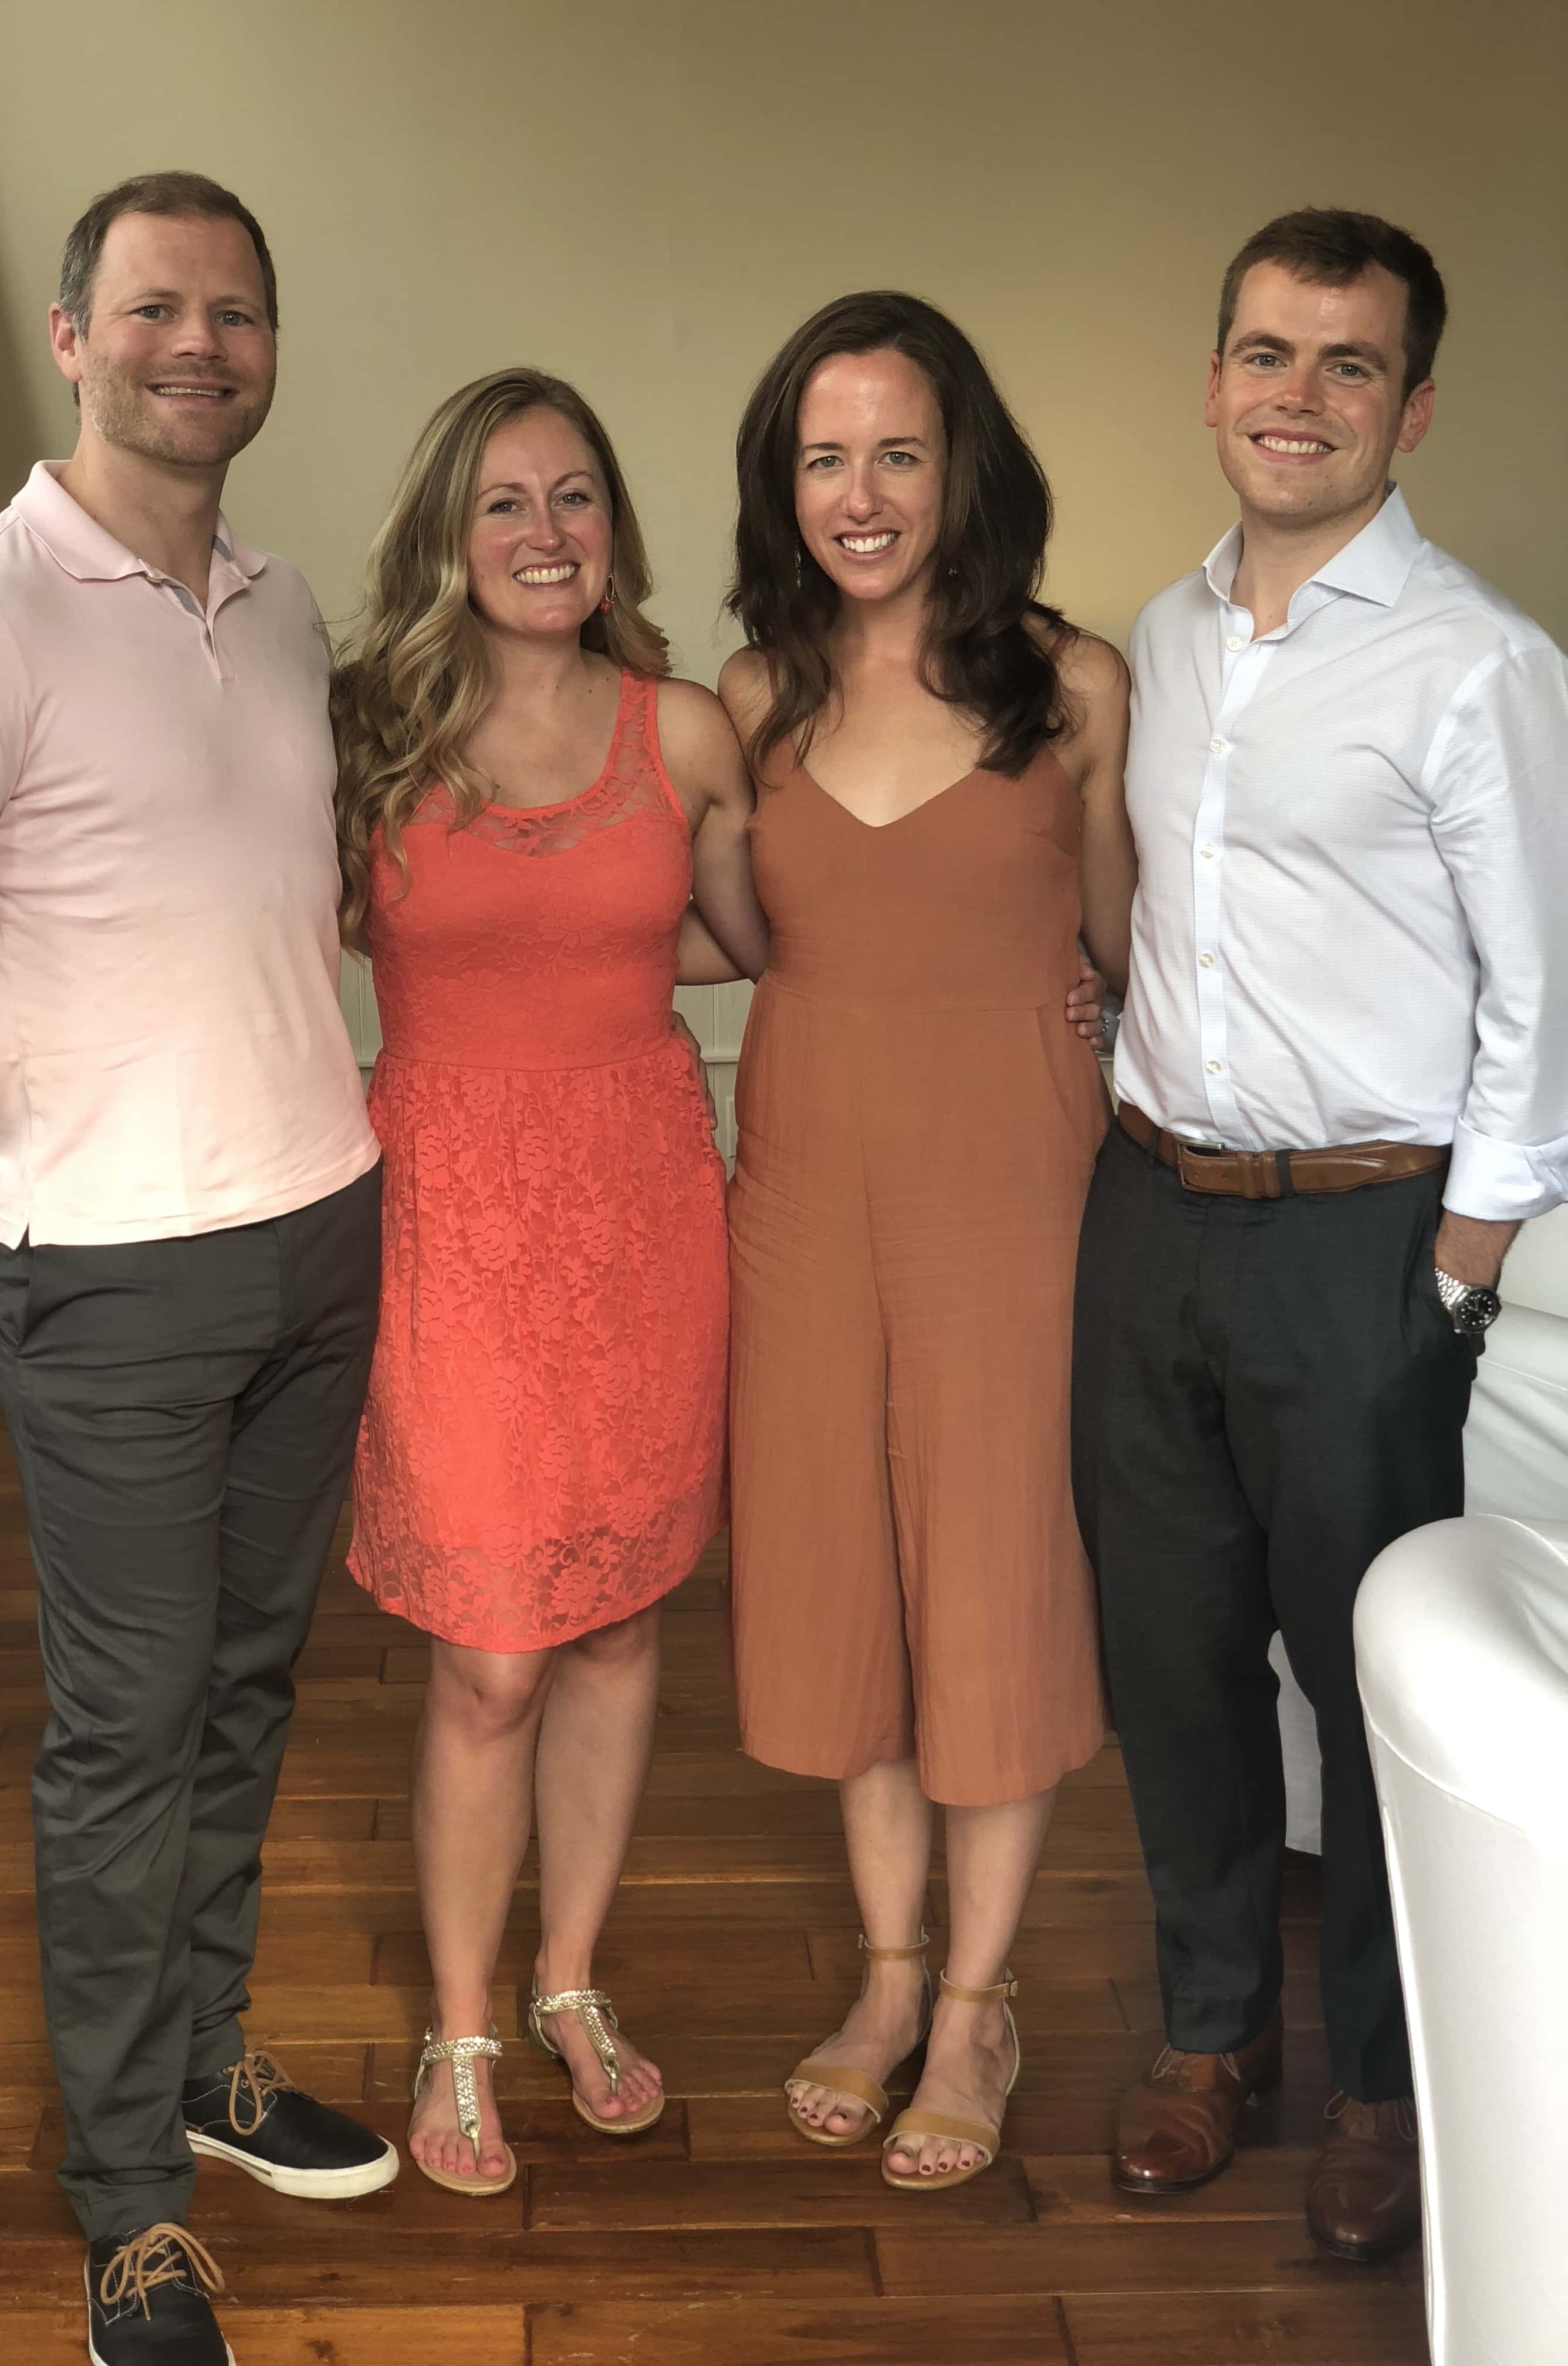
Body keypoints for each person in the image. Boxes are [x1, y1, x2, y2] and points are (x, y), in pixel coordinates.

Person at [0, 173, 400, 2366]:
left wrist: (31, 999)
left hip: (318, 1229)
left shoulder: (282, 604)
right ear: (75, 337)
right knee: (126, 1739)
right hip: (113, 1283)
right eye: (154, 308)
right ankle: (130, 2205)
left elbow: (203, 902)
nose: (197, 345)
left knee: (247, 1692)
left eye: (234, 312)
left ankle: (205, 2059)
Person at [1073, 207, 1568, 2263]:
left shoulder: (1482, 664)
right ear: (1214, 383)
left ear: (1411, 407)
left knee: (1369, 1677)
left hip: (1366, 1246)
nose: (1299, 395)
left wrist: (1456, 1273)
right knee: (1174, 1663)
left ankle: (1382, 2077)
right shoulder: (1164, 637)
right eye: (1267, 353)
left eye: (1347, 363)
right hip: (1147, 1215)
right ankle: (1213, 2036)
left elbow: (1544, 998)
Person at [327, 371, 766, 2194]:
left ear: (614, 529)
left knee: (618, 1626)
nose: (544, 532)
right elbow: (239, 935)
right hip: (448, 1220)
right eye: (505, 501)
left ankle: (568, 1979)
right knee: (493, 1658)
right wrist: (19, 1022)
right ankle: (461, 2026)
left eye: (575, 496)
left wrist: (1045, 972)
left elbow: (767, 937)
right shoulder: (364, 732)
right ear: (449, 530)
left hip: (642, 1213)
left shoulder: (683, 731)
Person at [719, 291, 1136, 2189]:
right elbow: (662, 922)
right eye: (826, 458)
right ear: (783, 483)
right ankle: (889, 1978)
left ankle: (977, 2003)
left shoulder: (1077, 687)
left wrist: (1106, 1007)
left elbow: (1140, 950)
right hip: (806, 1189)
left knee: (994, 1578)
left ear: (965, 466)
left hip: (1014, 1193)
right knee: (846, 1580)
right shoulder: (752, 697)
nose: (862, 494)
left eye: (899, 451)